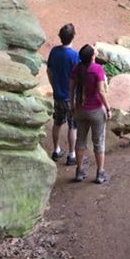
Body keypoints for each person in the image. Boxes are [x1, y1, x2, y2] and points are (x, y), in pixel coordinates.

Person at [70, 44, 112, 183]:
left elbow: (71, 89)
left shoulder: (77, 69)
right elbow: (101, 91)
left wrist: (72, 105)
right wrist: (108, 108)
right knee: (99, 142)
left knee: (80, 140)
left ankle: (79, 171)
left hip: (80, 109)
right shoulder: (97, 69)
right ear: (92, 57)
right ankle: (100, 173)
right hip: (95, 110)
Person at [47, 23, 79, 165]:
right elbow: (78, 77)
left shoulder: (54, 51)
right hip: (71, 97)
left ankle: (56, 150)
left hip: (58, 95)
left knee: (57, 123)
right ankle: (71, 155)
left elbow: (49, 71)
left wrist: (54, 86)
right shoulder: (74, 55)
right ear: (73, 37)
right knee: (73, 126)